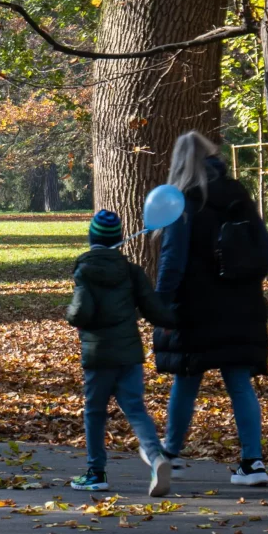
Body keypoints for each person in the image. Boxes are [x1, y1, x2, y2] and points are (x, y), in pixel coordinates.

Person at [154, 131, 268, 485]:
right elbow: (264, 253)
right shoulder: (238, 196)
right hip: (242, 304)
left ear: (178, 162)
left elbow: (173, 260)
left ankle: (171, 454)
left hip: (196, 307)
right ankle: (253, 462)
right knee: (239, 383)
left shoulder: (182, 202)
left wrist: (161, 306)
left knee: (186, 379)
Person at [65, 207, 175, 492]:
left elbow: (80, 313)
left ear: (92, 239)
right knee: (136, 409)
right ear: (119, 239)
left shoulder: (85, 271)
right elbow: (152, 306)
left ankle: (96, 472)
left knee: (95, 412)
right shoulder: (131, 271)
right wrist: (170, 323)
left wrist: (73, 314)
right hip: (129, 354)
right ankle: (155, 456)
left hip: (98, 354)